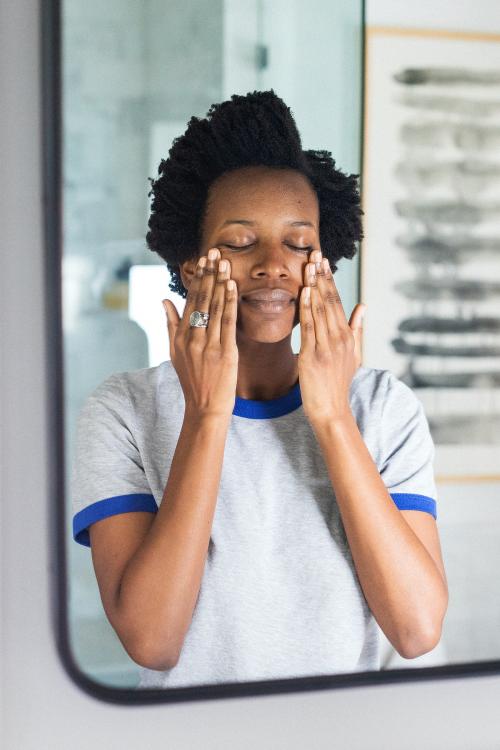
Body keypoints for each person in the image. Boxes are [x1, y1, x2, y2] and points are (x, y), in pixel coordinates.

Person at [71, 90, 448, 689]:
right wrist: (208, 411)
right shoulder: (122, 412)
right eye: (241, 243)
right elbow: (152, 640)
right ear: (191, 264)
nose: (275, 265)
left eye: (299, 244)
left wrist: (331, 418)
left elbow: (417, 628)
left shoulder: (382, 407)